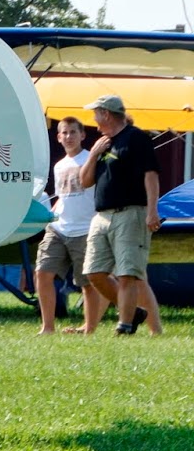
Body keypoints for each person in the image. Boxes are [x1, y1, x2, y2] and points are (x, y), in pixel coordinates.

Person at [79, 94, 161, 335]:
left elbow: (151, 175)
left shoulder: (136, 138)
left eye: (96, 113)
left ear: (106, 114)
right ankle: (134, 312)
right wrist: (93, 154)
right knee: (94, 272)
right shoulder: (103, 143)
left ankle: (124, 326)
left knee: (128, 274)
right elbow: (85, 181)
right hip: (101, 216)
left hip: (130, 214)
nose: (93, 118)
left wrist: (152, 210)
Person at [34, 116, 105, 334]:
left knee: (87, 282)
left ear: (82, 135)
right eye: (64, 133)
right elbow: (63, 196)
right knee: (42, 273)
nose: (68, 137)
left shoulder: (91, 159)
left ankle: (89, 329)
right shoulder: (58, 166)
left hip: (85, 229)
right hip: (58, 228)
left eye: (73, 132)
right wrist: (50, 214)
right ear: (58, 137)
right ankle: (47, 327)